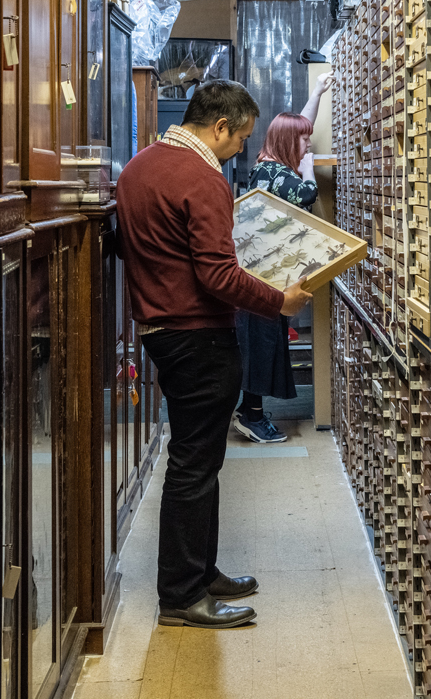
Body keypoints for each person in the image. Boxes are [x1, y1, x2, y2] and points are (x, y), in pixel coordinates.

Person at [116, 80, 311, 630]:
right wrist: (280, 301)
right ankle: (181, 596)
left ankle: (201, 573)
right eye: (240, 138)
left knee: (200, 460)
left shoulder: (138, 167)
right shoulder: (201, 178)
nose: (240, 150)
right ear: (219, 126)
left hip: (161, 331)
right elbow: (217, 274)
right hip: (198, 336)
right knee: (193, 466)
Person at [232, 72, 332, 444]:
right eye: (304, 141)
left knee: (265, 343)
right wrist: (308, 171)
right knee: (260, 346)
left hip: (264, 274)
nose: (309, 144)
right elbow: (305, 195)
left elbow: (298, 125)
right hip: (259, 278)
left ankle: (252, 411)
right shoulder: (272, 174)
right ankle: (251, 415)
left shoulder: (270, 165)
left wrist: (318, 91)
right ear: (291, 143)